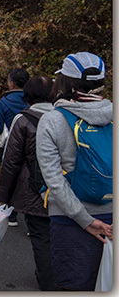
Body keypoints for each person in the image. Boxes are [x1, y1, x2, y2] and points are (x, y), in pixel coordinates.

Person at [36, 52, 113, 291]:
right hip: (112, 218)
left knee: (74, 288)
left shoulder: (52, 120)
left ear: (65, 82)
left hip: (70, 221)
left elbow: (54, 181)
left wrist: (85, 220)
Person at [0, 75, 58, 291]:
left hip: (34, 188)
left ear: (27, 95)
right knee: (61, 233)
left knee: (41, 236)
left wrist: (3, 196)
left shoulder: (23, 120)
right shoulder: (64, 116)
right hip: (66, 188)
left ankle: (48, 280)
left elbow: (10, 161)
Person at [0, 68, 29, 226]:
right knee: (29, 179)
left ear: (11, 83)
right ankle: (31, 220)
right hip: (32, 145)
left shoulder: (4, 102)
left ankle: (11, 214)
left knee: (9, 177)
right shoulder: (32, 101)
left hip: (9, 146)